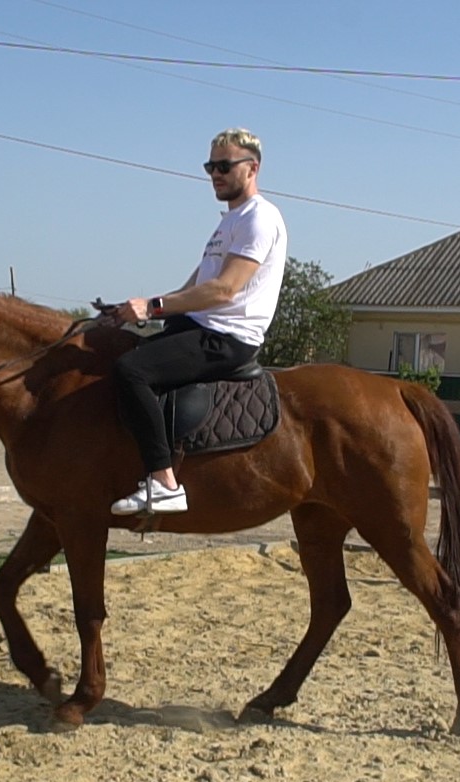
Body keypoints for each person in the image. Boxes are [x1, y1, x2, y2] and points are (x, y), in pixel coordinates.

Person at [106, 127, 289, 515]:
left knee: (131, 372)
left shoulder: (260, 218)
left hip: (227, 336)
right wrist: (140, 311)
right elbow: (195, 285)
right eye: (210, 166)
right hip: (201, 326)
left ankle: (163, 482)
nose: (215, 174)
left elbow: (224, 291)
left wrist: (153, 307)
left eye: (224, 165)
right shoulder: (230, 222)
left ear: (252, 168)